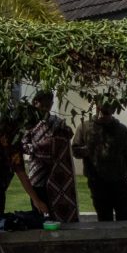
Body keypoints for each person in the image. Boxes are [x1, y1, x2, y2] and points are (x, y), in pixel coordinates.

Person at [72, 95, 127, 221]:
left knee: (126, 217)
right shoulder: (85, 128)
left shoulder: (122, 130)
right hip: (97, 183)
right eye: (102, 111)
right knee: (104, 218)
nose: (104, 115)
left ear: (113, 112)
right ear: (97, 108)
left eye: (108, 113)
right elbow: (74, 150)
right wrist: (83, 151)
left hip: (119, 181)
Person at [21, 90, 79, 223]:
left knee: (55, 213)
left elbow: (67, 135)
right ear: (35, 103)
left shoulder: (56, 121)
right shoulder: (28, 123)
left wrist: (65, 131)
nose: (46, 108)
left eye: (49, 105)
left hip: (56, 175)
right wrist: (39, 148)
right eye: (43, 105)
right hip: (37, 174)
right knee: (39, 211)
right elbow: (23, 145)